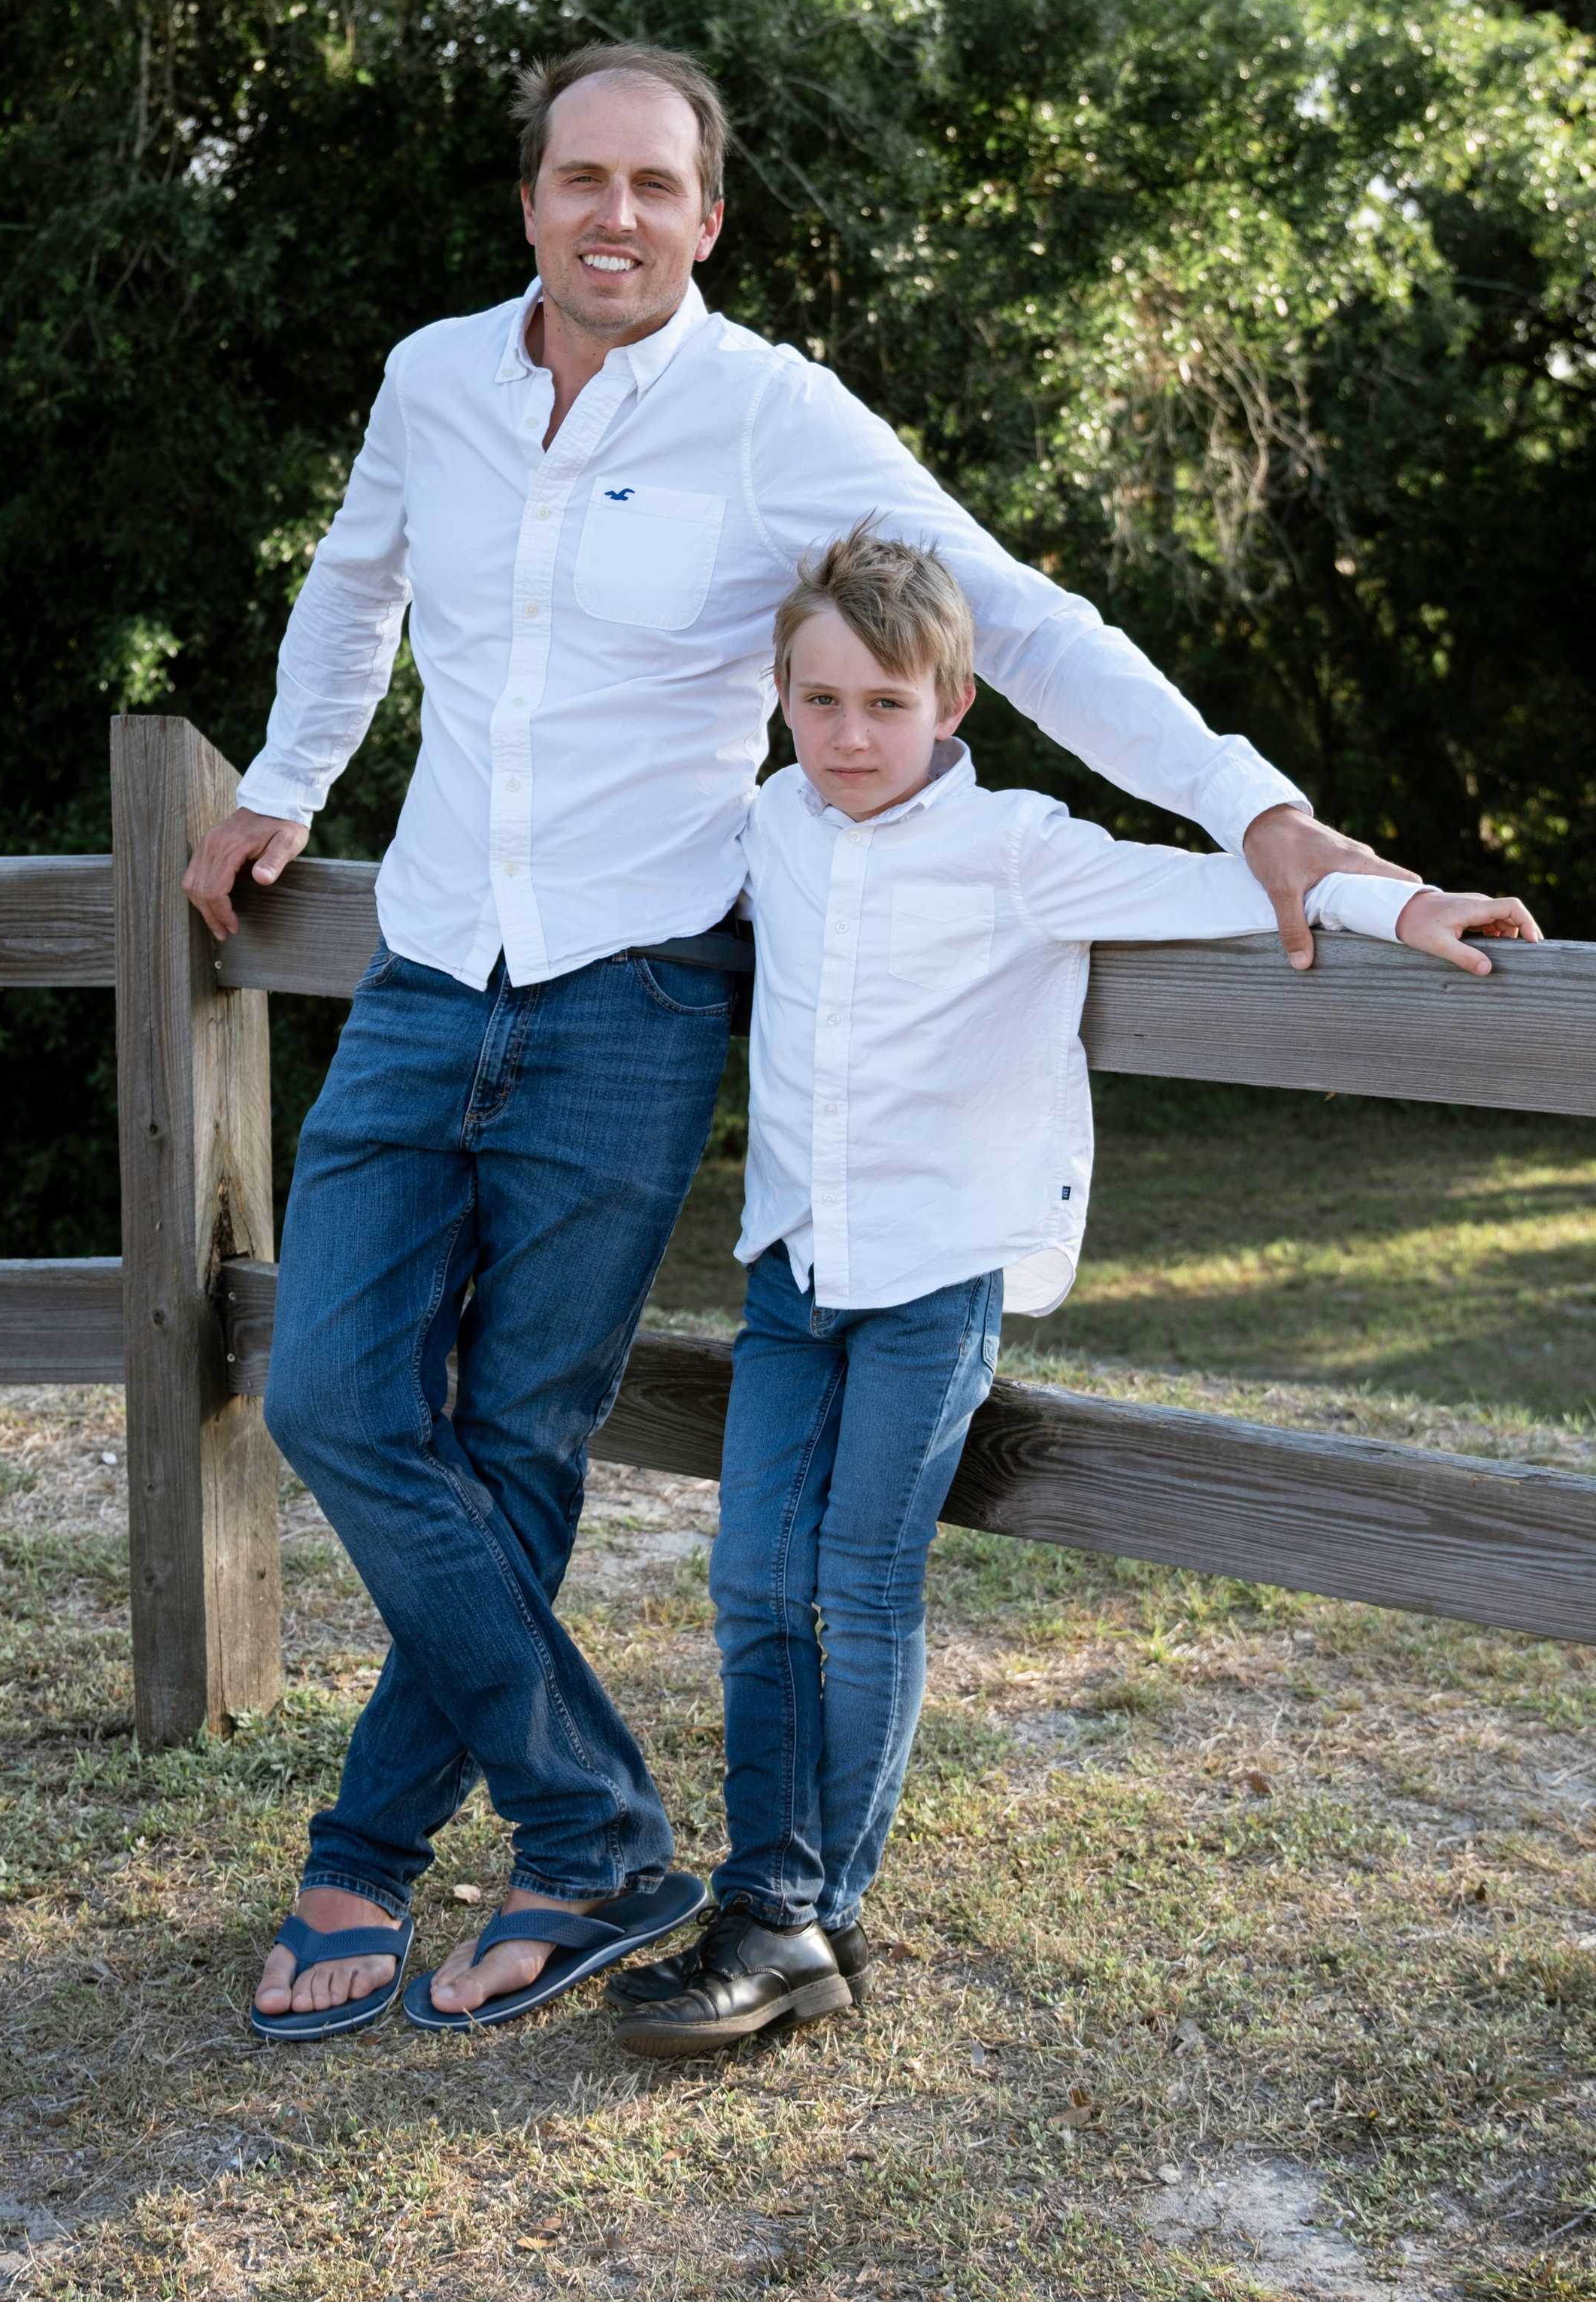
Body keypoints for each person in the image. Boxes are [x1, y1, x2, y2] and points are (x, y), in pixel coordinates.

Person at [180, 39, 1422, 2042]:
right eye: (581, 179)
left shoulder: (776, 414)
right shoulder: (432, 381)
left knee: (513, 1439)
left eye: (654, 187)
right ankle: (594, 1834)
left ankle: (368, 1856)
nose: (615, 216)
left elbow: (1012, 617)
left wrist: (1253, 807)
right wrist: (284, 782)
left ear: (707, 217)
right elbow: (354, 587)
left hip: (634, 997)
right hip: (423, 976)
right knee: (331, 1396)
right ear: (529, 201)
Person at [607, 528, 1540, 2055]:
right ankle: (768, 1897)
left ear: (953, 703)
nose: (850, 737)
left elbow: (1234, 888)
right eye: (820, 701)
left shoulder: (1022, 848)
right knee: (754, 1585)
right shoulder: (769, 822)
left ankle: (805, 1917)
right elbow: (626, 864)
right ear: (779, 696)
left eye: (886, 706)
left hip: (933, 1283)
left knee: (860, 1584)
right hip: (794, 1270)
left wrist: (1408, 903)